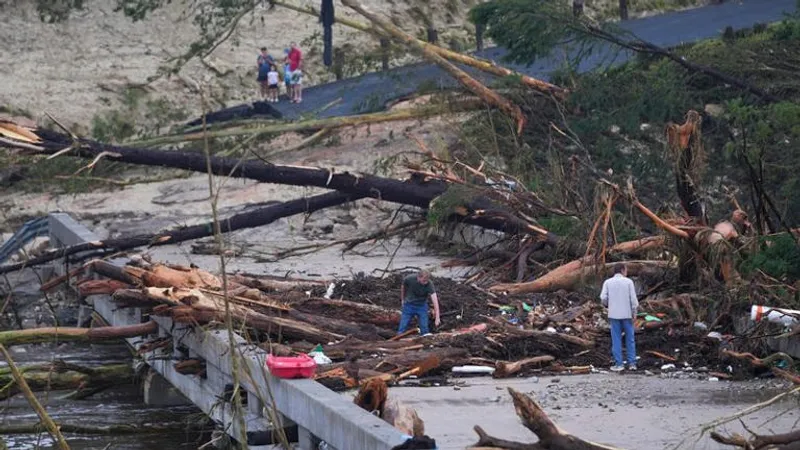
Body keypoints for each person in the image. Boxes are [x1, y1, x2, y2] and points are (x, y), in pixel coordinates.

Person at [599, 263, 638, 372]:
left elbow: (603, 298)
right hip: (627, 314)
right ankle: (632, 363)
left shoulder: (608, 282)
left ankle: (619, 364)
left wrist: (607, 305)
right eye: (626, 270)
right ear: (622, 270)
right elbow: (633, 300)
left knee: (616, 339)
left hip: (614, 314)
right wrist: (634, 312)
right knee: (630, 339)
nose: (627, 272)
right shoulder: (629, 282)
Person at [398, 270, 441, 336]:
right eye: (424, 281)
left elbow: (435, 300)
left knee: (424, 328)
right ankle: (398, 340)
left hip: (422, 306)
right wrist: (402, 299)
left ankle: (425, 342)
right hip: (409, 305)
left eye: (427, 281)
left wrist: (437, 317)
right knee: (403, 326)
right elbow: (403, 286)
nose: (425, 282)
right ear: (418, 278)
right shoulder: (409, 279)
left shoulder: (429, 284)